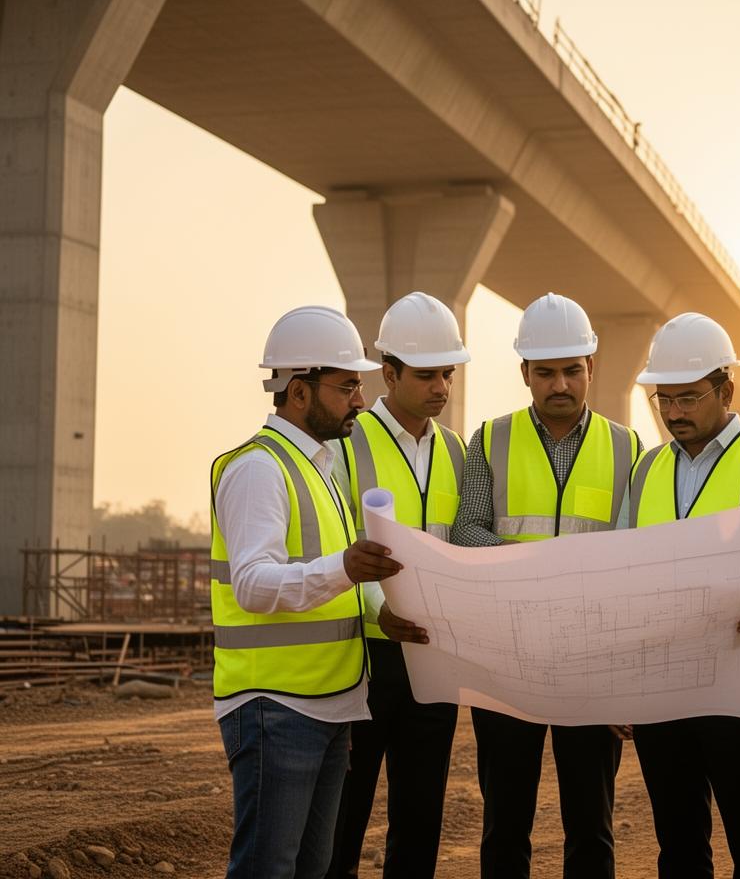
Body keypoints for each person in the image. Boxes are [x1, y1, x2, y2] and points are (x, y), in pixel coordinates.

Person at [449, 292, 641, 879]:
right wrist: (532, 570)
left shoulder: (629, 448)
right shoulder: (490, 440)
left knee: (592, 826)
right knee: (505, 824)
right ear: (525, 374)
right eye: (546, 372)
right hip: (508, 663)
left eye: (571, 370)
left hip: (592, 663)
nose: (560, 384)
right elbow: (466, 531)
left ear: (592, 368)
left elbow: (637, 560)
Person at [210, 306, 404, 879]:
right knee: (268, 869)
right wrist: (344, 567)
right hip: (276, 707)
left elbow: (335, 581)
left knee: (311, 869)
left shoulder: (318, 465)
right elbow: (252, 584)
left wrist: (379, 610)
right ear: (299, 391)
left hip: (327, 704)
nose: (360, 400)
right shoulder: (259, 470)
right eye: (347, 386)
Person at [627, 312, 740, 879]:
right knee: (678, 848)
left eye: (688, 397)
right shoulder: (645, 470)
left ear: (726, 388)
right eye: (664, 399)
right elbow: (628, 575)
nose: (675, 412)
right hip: (662, 687)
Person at [328, 292, 469, 879]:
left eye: (448, 374)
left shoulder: (459, 452)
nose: (441, 387)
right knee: (344, 815)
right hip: (363, 656)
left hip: (433, 658)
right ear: (388, 373)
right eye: (427, 374)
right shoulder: (345, 444)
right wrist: (376, 608)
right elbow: (325, 550)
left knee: (420, 817)